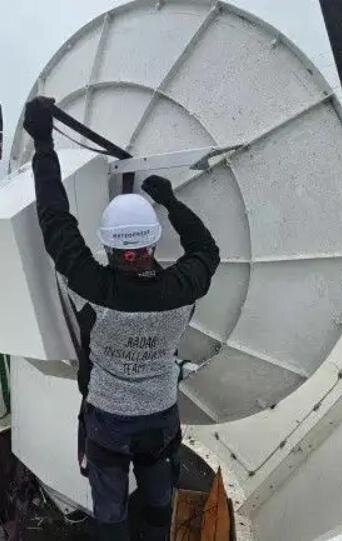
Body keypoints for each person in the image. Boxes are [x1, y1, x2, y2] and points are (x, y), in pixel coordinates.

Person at [23, 97, 220, 541]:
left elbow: (54, 219)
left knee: (109, 511)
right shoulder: (182, 288)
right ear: (153, 242)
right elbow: (207, 250)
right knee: (156, 500)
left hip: (108, 420)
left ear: (108, 247)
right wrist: (169, 200)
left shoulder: (91, 283)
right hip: (160, 416)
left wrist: (43, 143)